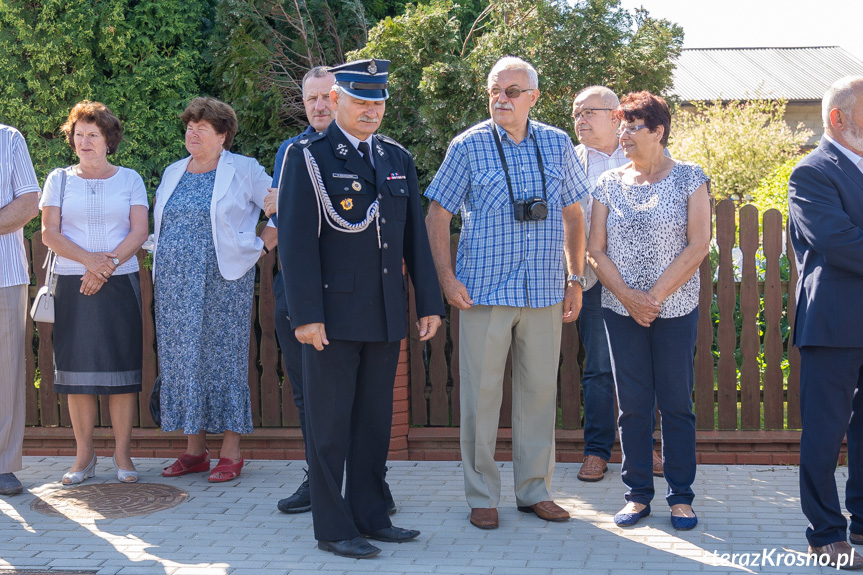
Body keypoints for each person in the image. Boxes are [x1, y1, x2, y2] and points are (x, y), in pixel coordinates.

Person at [278, 58, 444, 559]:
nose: (371, 111)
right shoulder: (308, 157)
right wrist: (306, 315)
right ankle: (333, 527)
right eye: (360, 101)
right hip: (330, 315)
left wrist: (428, 303)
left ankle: (371, 515)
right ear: (335, 101)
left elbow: (414, 237)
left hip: (386, 310)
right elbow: (296, 243)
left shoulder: (396, 157)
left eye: (378, 102)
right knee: (329, 426)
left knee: (373, 422)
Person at [425, 56, 588, 530]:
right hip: (483, 292)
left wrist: (574, 276)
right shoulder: (468, 145)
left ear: (534, 97)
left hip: (543, 290)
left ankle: (534, 491)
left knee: (539, 394)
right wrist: (447, 279)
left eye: (514, 91)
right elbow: (438, 214)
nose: (502, 98)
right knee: (480, 398)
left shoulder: (558, 144)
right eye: (496, 90)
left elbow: (574, 215)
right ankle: (481, 495)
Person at [263, 66, 396, 516]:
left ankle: (367, 487)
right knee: (309, 395)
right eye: (310, 100)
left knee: (362, 399)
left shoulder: (378, 152)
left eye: (325, 97)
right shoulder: (293, 151)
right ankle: (318, 480)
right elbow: (288, 231)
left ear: (339, 98)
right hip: (301, 294)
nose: (319, 106)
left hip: (354, 297)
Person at [586, 91, 710, 530]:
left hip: (674, 309)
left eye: (631, 127)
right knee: (633, 406)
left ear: (657, 131)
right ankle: (637, 496)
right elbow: (594, 250)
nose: (622, 136)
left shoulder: (691, 177)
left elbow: (698, 245)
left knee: (676, 404)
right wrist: (628, 297)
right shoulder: (607, 184)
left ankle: (681, 497)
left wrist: (652, 297)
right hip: (621, 311)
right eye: (620, 127)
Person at [153, 97, 270, 483]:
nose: (192, 132)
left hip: (224, 282)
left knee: (225, 360)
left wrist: (263, 243)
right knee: (183, 362)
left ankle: (231, 452)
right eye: (189, 126)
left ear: (223, 136)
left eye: (202, 127)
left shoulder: (244, 170)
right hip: (174, 286)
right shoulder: (173, 172)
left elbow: (281, 204)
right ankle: (194, 451)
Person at [40, 101, 149, 485]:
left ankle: (123, 456)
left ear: (109, 141)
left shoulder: (131, 179)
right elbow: (49, 233)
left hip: (120, 282)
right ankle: (84, 457)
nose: (84, 141)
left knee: (122, 371)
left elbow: (139, 232)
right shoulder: (59, 179)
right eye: (78, 134)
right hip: (72, 282)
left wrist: (107, 266)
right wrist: (91, 262)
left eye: (93, 135)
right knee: (76, 374)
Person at [787, 76, 863, 570]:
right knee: (823, 432)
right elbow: (838, 242)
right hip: (834, 325)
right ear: (840, 118)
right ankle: (826, 532)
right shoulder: (812, 172)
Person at [571, 86, 663, 482]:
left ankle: (647, 450)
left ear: (614, 116)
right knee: (597, 369)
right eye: (576, 114)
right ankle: (597, 452)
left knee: (647, 366)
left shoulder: (641, 155)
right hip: (592, 277)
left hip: (642, 278)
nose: (580, 120)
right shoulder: (568, 161)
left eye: (588, 112)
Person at [0, 124, 40, 496]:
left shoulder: (8, 138)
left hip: (4, 275)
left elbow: (29, 203)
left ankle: (3, 465)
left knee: (6, 374)